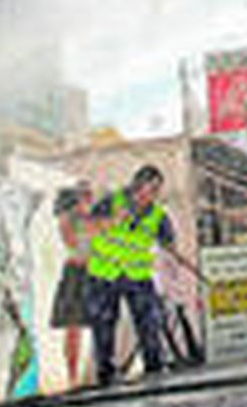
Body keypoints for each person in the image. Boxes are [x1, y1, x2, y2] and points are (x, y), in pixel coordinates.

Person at [85, 165, 174, 387]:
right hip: (105, 274)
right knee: (104, 325)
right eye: (147, 189)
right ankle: (105, 373)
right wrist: (113, 220)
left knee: (149, 323)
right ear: (136, 186)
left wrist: (171, 250)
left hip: (137, 275)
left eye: (155, 191)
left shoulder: (158, 215)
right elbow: (88, 227)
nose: (150, 196)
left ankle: (154, 368)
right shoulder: (111, 202)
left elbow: (169, 241)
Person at [50, 180, 95, 389]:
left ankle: (91, 372)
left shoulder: (90, 219)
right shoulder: (69, 219)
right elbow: (72, 242)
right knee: (73, 327)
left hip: (92, 271)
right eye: (84, 195)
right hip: (76, 272)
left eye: (89, 195)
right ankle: (73, 376)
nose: (88, 199)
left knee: (98, 324)